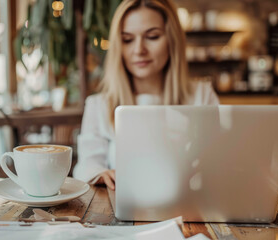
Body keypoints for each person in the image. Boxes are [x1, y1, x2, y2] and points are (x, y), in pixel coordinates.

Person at [73, 0, 219, 190]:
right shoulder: (99, 105)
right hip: (121, 207)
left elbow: (219, 159)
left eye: (152, 36)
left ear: (172, 39)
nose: (139, 50)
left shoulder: (201, 96)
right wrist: (99, 173)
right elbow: (86, 164)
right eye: (127, 40)